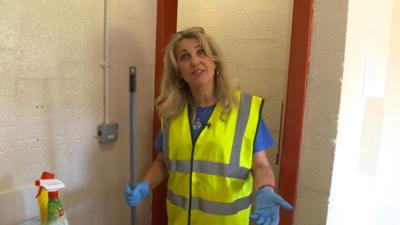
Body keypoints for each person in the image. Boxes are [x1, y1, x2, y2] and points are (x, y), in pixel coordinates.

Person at [124, 27, 293, 225]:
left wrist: (266, 189)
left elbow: (260, 165)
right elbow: (163, 162)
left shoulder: (245, 111)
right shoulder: (171, 114)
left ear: (215, 61)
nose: (195, 61)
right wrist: (145, 185)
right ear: (178, 71)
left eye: (201, 52)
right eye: (185, 57)